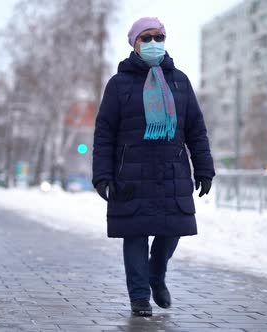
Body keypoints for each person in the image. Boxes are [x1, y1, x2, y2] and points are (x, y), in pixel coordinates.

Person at [92, 17, 215, 317]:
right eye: (145, 38)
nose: (152, 43)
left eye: (158, 37)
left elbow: (195, 129)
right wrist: (102, 176)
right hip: (131, 174)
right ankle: (139, 299)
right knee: (135, 234)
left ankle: (156, 276)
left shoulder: (179, 81)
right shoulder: (119, 84)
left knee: (171, 232)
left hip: (171, 174)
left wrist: (204, 168)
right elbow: (104, 131)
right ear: (134, 43)